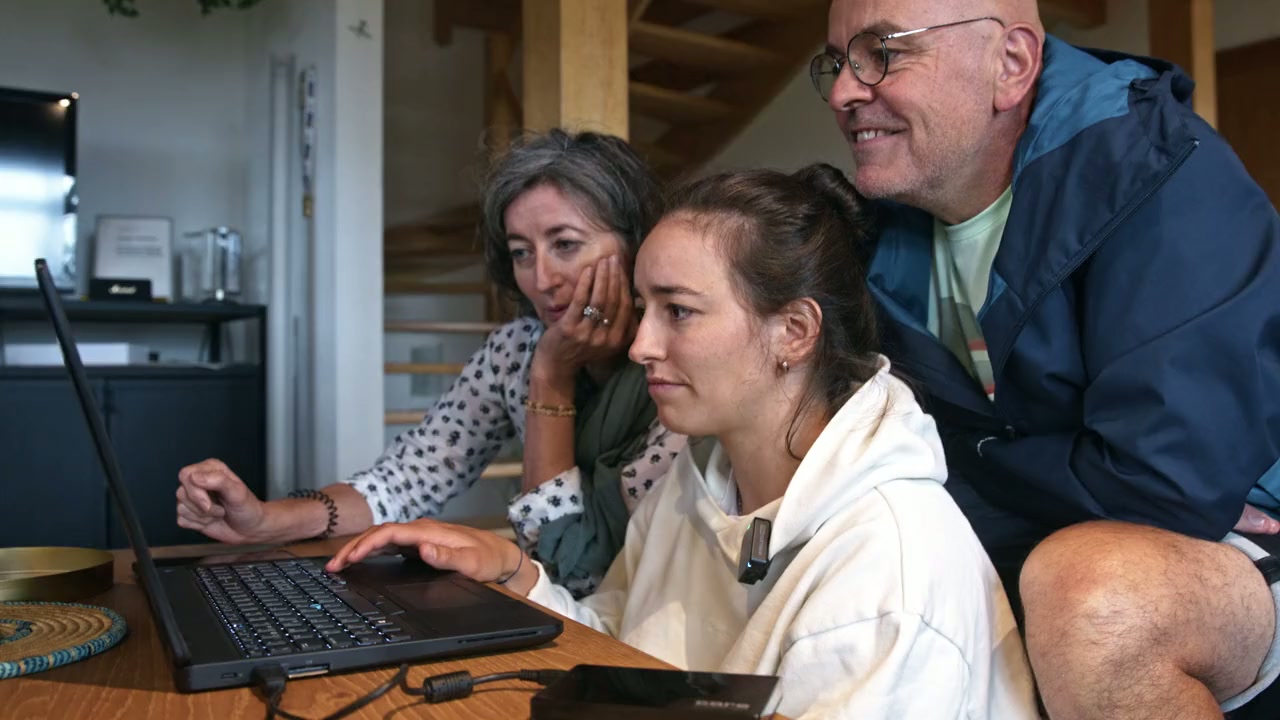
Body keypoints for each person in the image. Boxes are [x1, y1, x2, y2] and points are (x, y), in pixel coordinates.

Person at [325, 164, 1039, 719]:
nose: (641, 345)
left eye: (679, 312)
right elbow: (625, 645)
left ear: (794, 332)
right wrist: (516, 573)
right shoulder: (700, 478)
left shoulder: (889, 577)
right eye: (644, 308)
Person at [816, 0, 1280, 716]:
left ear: (1011, 64)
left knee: (1093, 600)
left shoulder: (1157, 168)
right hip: (1058, 527)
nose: (845, 91)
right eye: (838, 62)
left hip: (1237, 533)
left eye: (884, 52)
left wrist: (959, 468)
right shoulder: (874, 230)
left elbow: (1162, 487)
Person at [176, 129, 686, 595]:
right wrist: (265, 520)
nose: (542, 278)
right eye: (521, 252)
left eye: (566, 245)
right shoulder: (517, 350)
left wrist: (550, 380)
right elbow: (407, 478)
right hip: (548, 612)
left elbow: (575, 572)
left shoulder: (676, 369)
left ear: (634, 245)